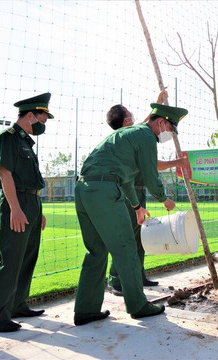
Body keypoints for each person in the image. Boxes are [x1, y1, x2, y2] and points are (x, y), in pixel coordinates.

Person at [73, 102, 187, 325]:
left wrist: (136, 207)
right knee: (126, 248)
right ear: (161, 122)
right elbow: (150, 175)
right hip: (105, 191)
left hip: (85, 189)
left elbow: (126, 179)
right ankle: (138, 305)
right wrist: (164, 198)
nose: (169, 134)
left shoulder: (127, 135)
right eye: (170, 129)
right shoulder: (145, 136)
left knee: (96, 252)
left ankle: (86, 310)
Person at [0, 93, 54, 332]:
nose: (43, 124)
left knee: (27, 257)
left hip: (31, 203)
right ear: (30, 115)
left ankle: (17, 304)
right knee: (10, 259)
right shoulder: (8, 138)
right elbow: (6, 175)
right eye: (42, 119)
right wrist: (15, 209)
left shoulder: (26, 142)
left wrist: (38, 210)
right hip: (17, 203)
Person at [106, 90, 187, 296]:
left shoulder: (138, 136)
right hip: (128, 192)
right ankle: (116, 279)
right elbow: (152, 163)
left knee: (139, 235)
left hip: (140, 192)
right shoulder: (129, 138)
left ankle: (138, 274)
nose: (134, 117)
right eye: (129, 114)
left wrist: (156, 106)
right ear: (125, 121)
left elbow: (148, 127)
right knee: (126, 235)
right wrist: (164, 197)